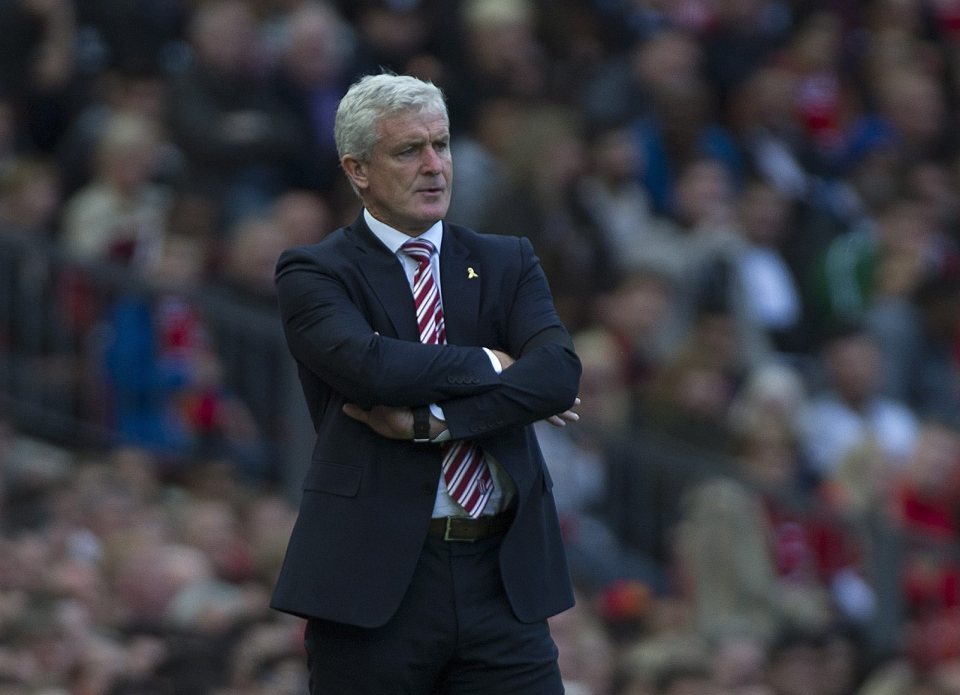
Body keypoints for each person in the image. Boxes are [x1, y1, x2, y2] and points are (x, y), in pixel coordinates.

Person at [269, 72, 582, 694]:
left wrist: (433, 422)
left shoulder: (506, 258)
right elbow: (370, 367)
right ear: (357, 170)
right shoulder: (314, 270)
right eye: (409, 150)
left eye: (441, 145)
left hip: (502, 579)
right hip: (373, 584)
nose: (435, 165)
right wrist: (495, 364)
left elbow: (558, 375)